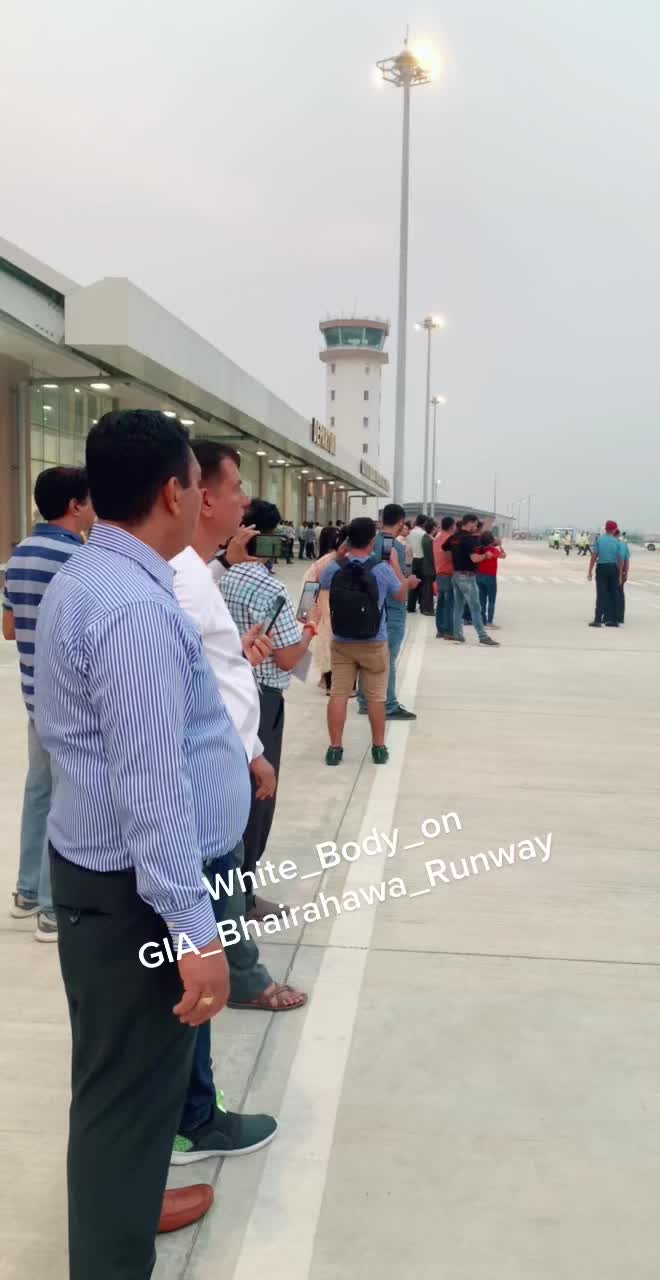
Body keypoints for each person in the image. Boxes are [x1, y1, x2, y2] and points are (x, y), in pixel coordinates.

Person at [33, 410, 276, 1280]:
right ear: (175, 492)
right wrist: (194, 930)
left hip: (109, 874)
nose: (210, 498)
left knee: (124, 1086)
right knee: (126, 1094)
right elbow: (151, 784)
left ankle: (128, 1208)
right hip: (139, 890)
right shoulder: (135, 607)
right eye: (202, 484)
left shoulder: (91, 574)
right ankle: (111, 1256)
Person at [171, 441, 306, 1014]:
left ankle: (239, 973)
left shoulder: (201, 572)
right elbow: (186, 689)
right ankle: (241, 977)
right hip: (208, 761)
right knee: (216, 877)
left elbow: (208, 671)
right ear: (202, 499)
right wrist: (249, 748)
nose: (245, 502)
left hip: (226, 752)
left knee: (224, 871)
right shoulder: (179, 581)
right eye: (236, 488)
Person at [3, 466, 95, 942]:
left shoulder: (19, 554)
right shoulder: (79, 558)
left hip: (33, 694)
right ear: (76, 505)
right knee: (65, 800)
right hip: (67, 701)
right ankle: (50, 908)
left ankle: (25, 891)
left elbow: (9, 629)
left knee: (39, 791)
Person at [221, 500, 318, 920]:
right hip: (261, 699)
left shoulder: (215, 575)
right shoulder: (268, 587)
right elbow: (287, 657)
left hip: (223, 694)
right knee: (258, 800)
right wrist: (309, 631)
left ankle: (226, 893)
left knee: (228, 797)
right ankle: (242, 897)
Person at [320, 517, 407, 766]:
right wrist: (397, 568)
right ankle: (378, 748)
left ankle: (335, 749)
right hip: (374, 641)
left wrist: (339, 556)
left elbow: (320, 582)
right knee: (376, 697)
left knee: (339, 694)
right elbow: (400, 596)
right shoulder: (381, 568)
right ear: (372, 540)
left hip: (342, 641)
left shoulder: (335, 567)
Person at [356, 503, 419, 721]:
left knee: (368, 657)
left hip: (369, 606)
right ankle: (389, 704)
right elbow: (394, 582)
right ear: (401, 522)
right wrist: (408, 581)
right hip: (391, 609)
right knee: (388, 660)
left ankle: (364, 700)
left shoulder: (370, 542)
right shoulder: (395, 547)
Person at [301, 525, 350, 694]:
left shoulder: (323, 562)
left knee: (327, 645)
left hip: (326, 612)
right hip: (329, 610)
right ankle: (332, 682)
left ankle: (328, 680)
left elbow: (310, 583)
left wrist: (304, 612)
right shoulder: (332, 562)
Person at [445, 514, 500, 646]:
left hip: (456, 575)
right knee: (475, 607)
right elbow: (474, 558)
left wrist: (457, 559)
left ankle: (458, 635)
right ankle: (483, 636)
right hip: (467, 576)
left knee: (458, 607)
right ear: (470, 523)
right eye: (475, 525)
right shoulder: (468, 539)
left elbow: (445, 549)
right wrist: (486, 555)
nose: (475, 527)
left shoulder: (454, 537)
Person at [588, 519, 623, 627]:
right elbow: (620, 559)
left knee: (601, 594)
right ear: (614, 529)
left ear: (606, 529)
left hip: (601, 568)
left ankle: (598, 620)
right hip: (613, 568)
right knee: (614, 593)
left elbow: (594, 556)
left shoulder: (599, 540)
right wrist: (620, 575)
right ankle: (614, 620)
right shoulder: (617, 542)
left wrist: (590, 571)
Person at [475, 531, 506, 628]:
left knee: (482, 600)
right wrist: (500, 545)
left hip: (479, 576)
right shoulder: (493, 550)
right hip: (490, 577)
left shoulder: (478, 550)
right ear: (491, 540)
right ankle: (489, 622)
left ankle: (482, 620)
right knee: (491, 600)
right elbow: (504, 555)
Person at [433, 516, 456, 638]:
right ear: (452, 526)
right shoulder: (449, 539)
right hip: (448, 573)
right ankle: (449, 631)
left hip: (439, 572)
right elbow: (449, 556)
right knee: (449, 603)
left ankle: (440, 630)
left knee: (441, 603)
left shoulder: (437, 538)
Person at [406, 515, 428, 613]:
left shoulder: (410, 532)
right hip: (423, 560)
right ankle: (423, 607)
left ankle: (410, 607)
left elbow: (408, 549)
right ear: (424, 523)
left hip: (414, 559)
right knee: (423, 585)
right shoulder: (423, 534)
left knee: (413, 584)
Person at [419, 520, 436, 614]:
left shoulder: (425, 538)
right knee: (428, 590)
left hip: (426, 566)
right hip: (429, 567)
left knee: (426, 589)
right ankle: (427, 609)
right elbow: (432, 556)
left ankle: (425, 608)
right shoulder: (429, 540)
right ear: (433, 528)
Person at [616, 530, 630, 624]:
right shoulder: (624, 544)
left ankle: (611, 616)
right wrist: (626, 573)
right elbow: (627, 561)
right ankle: (620, 618)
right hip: (622, 572)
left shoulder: (615, 544)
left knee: (611, 594)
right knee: (620, 594)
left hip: (614, 571)